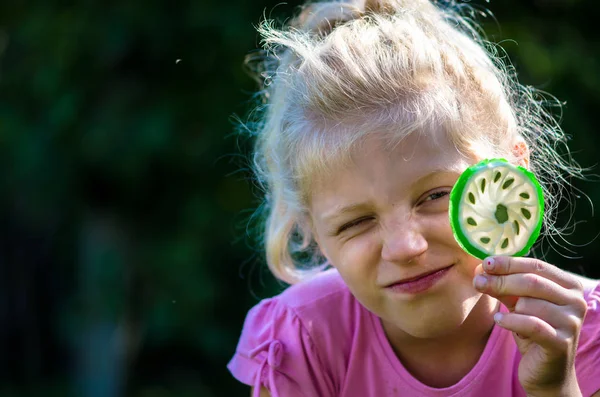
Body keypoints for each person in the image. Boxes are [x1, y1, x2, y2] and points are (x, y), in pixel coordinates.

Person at [227, 0, 600, 396]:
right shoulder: (304, 339)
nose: (406, 247)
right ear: (311, 230)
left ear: (513, 174)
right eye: (356, 222)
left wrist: (557, 388)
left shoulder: (585, 335)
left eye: (436, 196)